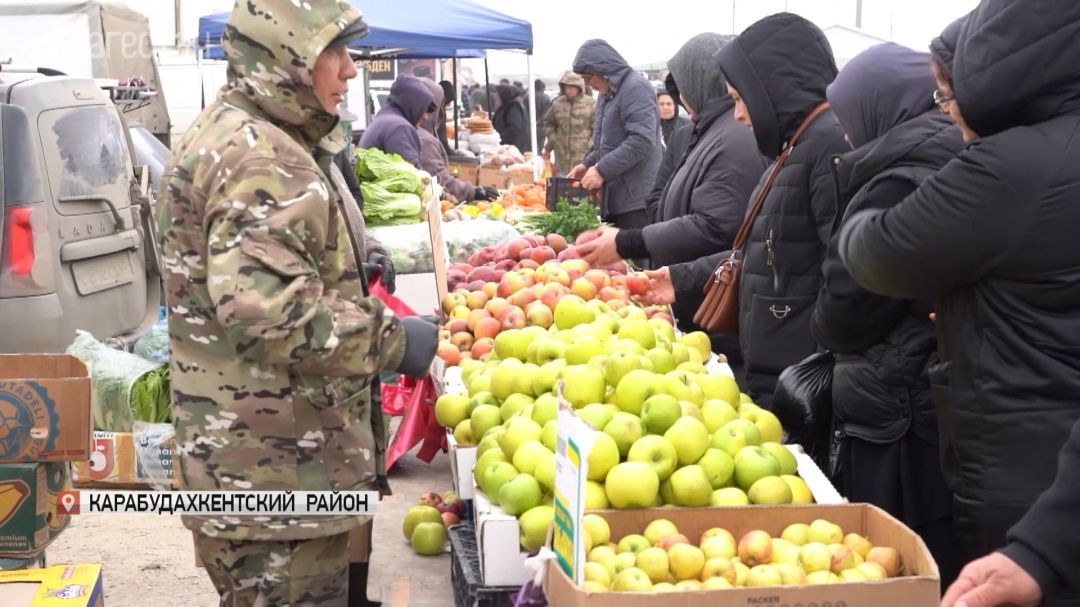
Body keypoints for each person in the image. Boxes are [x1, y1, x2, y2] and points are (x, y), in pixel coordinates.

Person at [157, 2, 438, 604]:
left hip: (246, 465)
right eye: (333, 54)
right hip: (278, 475)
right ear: (283, 58)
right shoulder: (262, 157)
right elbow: (271, 317)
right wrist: (397, 340)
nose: (350, 71)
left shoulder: (229, 131)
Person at [837, 2, 1080, 602]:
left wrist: (863, 203)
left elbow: (876, 255)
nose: (947, 114)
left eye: (948, 96)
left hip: (1022, 468)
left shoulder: (1011, 168)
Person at [810, 43, 965, 585]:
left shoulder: (897, 180)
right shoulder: (949, 157)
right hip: (929, 401)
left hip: (898, 412)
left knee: (901, 567)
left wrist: (823, 317)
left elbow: (848, 309)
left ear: (879, 108)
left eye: (850, 118)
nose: (846, 134)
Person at [640, 14, 848, 404]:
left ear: (773, 88)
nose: (737, 114)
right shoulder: (795, 147)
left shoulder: (827, 148)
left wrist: (796, 338)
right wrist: (679, 278)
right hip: (779, 370)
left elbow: (845, 279)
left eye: (739, 98)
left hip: (802, 378)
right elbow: (762, 251)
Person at [577, 33, 767, 357]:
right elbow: (669, 191)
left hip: (714, 307)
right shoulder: (706, 130)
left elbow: (715, 227)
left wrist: (631, 241)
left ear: (699, 80)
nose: (679, 99)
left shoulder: (732, 137)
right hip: (694, 293)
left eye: (682, 86)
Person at [569, 39, 662, 231]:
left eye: (588, 77)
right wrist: (587, 164)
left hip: (636, 200)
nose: (587, 84)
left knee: (635, 259)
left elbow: (641, 141)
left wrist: (601, 170)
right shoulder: (606, 92)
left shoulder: (636, 88)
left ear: (603, 70)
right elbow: (607, 140)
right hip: (616, 195)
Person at [416, 78, 498, 203]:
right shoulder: (423, 139)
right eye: (439, 106)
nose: (442, 111)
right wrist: (473, 191)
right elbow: (438, 178)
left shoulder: (413, 129)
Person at [644, 74, 694, 222]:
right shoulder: (649, 127)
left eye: (669, 104)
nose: (665, 107)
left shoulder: (687, 127)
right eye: (661, 104)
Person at [358, 74, 433, 167]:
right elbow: (413, 177)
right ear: (412, 104)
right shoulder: (399, 128)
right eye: (423, 109)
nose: (426, 117)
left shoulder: (385, 119)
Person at [542, 71, 596, 176]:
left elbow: (598, 128)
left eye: (571, 87)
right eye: (565, 87)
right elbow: (548, 122)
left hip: (584, 161)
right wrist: (553, 139)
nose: (568, 90)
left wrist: (591, 144)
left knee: (582, 190)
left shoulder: (591, 104)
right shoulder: (558, 103)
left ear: (579, 87)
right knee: (562, 189)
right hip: (562, 160)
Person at [493, 83, 531, 152]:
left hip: (515, 148)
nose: (496, 96)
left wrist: (500, 139)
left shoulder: (514, 108)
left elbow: (515, 127)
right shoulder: (506, 106)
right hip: (509, 146)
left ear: (504, 95)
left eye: (498, 94)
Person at [533, 78, 552, 151]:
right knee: (540, 147)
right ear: (543, 88)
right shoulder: (546, 97)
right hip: (541, 126)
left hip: (529, 127)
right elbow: (546, 114)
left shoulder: (526, 97)